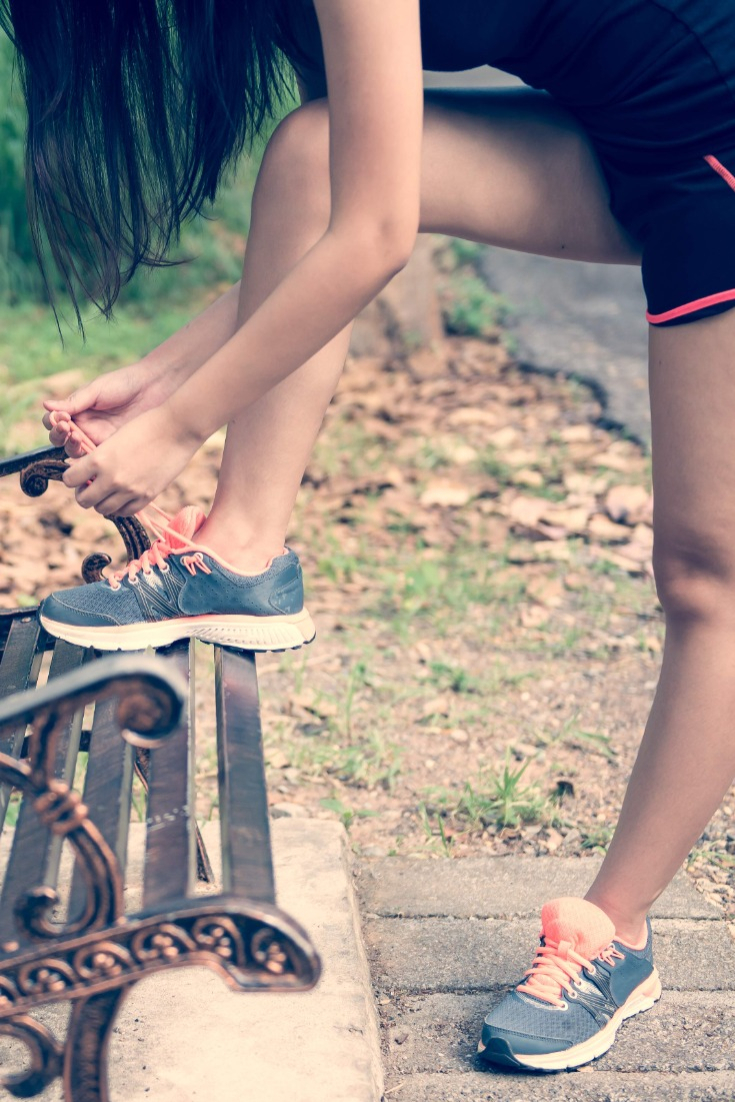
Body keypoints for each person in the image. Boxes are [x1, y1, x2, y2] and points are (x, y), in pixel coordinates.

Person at [4, 0, 735, 1074]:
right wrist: (164, 379)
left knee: (706, 569)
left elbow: (377, 240)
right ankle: (243, 555)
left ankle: (613, 931)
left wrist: (178, 427)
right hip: (629, 132)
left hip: (714, 135)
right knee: (310, 153)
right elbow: (343, 209)